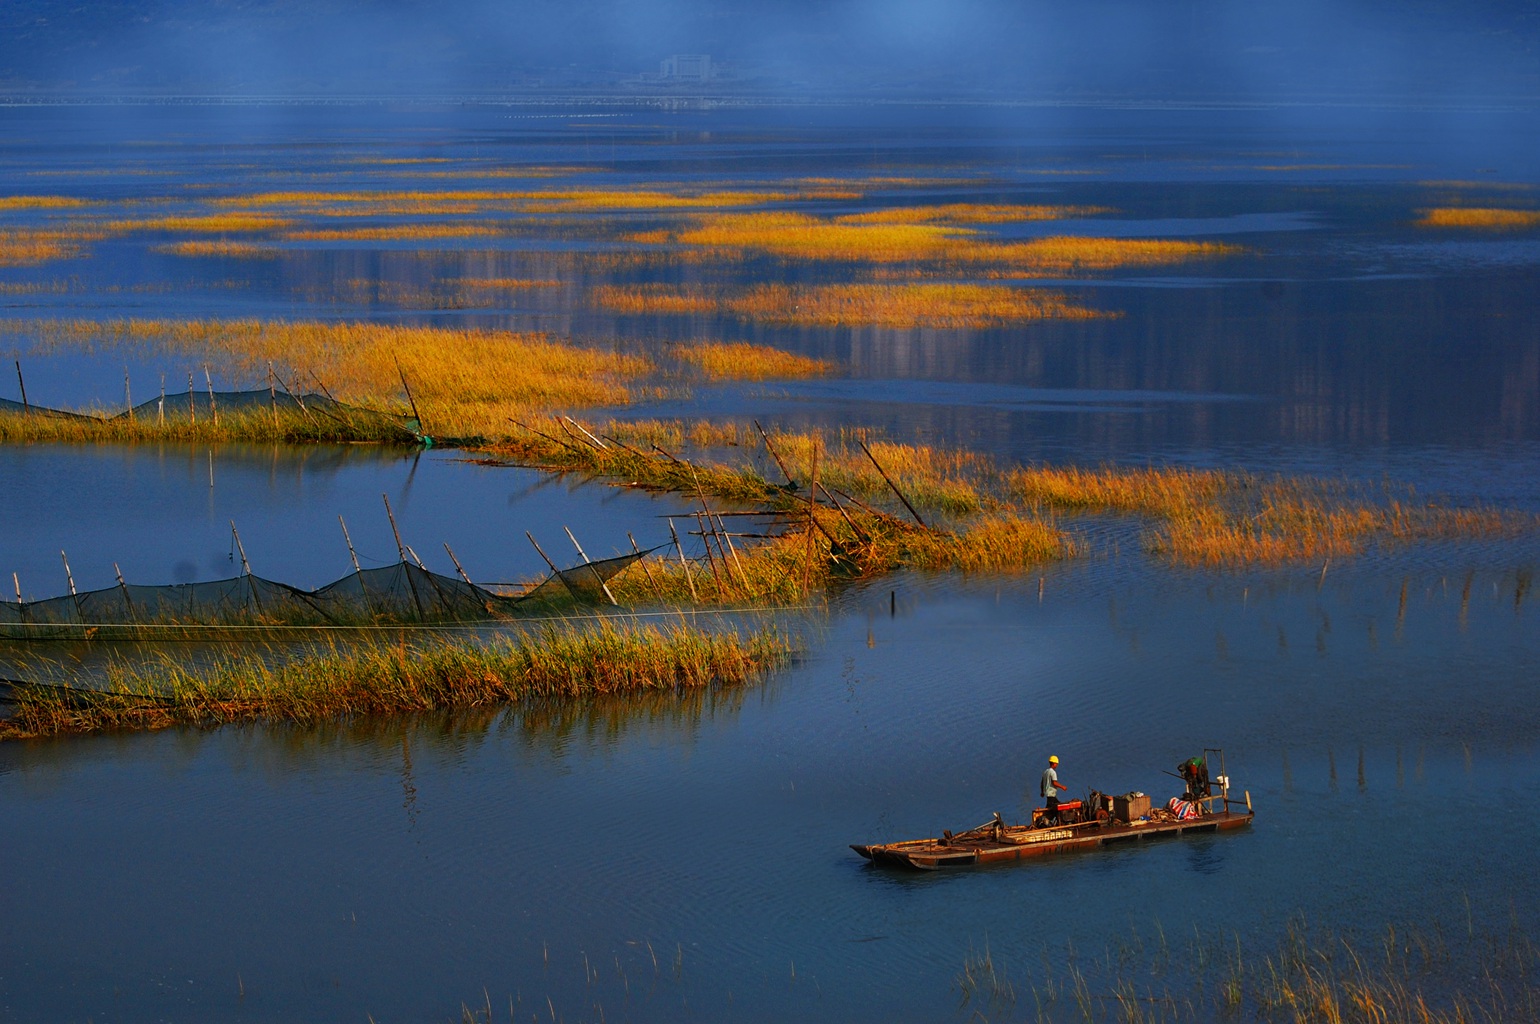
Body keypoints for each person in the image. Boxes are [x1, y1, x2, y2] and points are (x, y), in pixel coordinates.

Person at [1040, 755, 1067, 826]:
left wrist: (1042, 792)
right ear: (1054, 763)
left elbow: (1042, 783)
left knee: (1054, 807)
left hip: (1048, 794)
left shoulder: (1045, 772)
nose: (1057, 765)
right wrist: (1062, 787)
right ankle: (1045, 821)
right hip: (1051, 794)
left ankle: (1055, 821)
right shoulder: (1053, 772)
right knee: (1056, 808)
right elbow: (1054, 782)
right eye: (1057, 764)